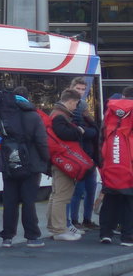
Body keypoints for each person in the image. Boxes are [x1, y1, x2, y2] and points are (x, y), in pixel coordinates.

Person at [0, 87, 49, 248]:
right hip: (31, 164)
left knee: (9, 201)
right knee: (28, 201)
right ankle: (32, 237)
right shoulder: (34, 116)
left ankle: (7, 237)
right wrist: (46, 160)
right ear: (27, 98)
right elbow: (41, 141)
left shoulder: (3, 115)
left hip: (8, 163)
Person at [45, 89, 87, 241]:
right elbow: (63, 134)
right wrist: (79, 130)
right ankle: (59, 230)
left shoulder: (56, 113)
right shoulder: (60, 116)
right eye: (76, 104)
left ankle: (54, 227)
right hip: (63, 161)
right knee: (62, 196)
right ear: (70, 101)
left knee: (56, 195)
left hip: (58, 160)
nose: (76, 107)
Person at [98, 86, 133, 246]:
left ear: (123, 96)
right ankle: (127, 237)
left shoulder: (110, 112)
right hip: (129, 165)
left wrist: (101, 162)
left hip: (110, 162)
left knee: (110, 199)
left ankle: (105, 233)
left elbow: (101, 139)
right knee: (129, 202)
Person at [67, 76, 102, 230]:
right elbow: (80, 131)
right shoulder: (72, 107)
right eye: (78, 89)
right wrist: (88, 131)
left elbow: (92, 130)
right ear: (72, 88)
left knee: (90, 189)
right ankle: (75, 220)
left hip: (88, 155)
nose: (81, 92)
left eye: (83, 89)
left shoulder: (83, 106)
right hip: (78, 156)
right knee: (78, 190)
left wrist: (86, 131)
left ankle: (86, 219)